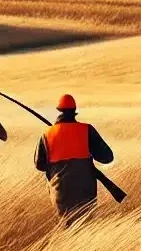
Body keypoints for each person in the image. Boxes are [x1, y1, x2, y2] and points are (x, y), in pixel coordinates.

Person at [35, 94, 114, 226]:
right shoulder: (87, 130)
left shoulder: (47, 134)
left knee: (67, 229)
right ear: (74, 112)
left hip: (60, 194)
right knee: (87, 227)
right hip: (86, 191)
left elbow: (39, 164)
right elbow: (107, 157)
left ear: (59, 111)